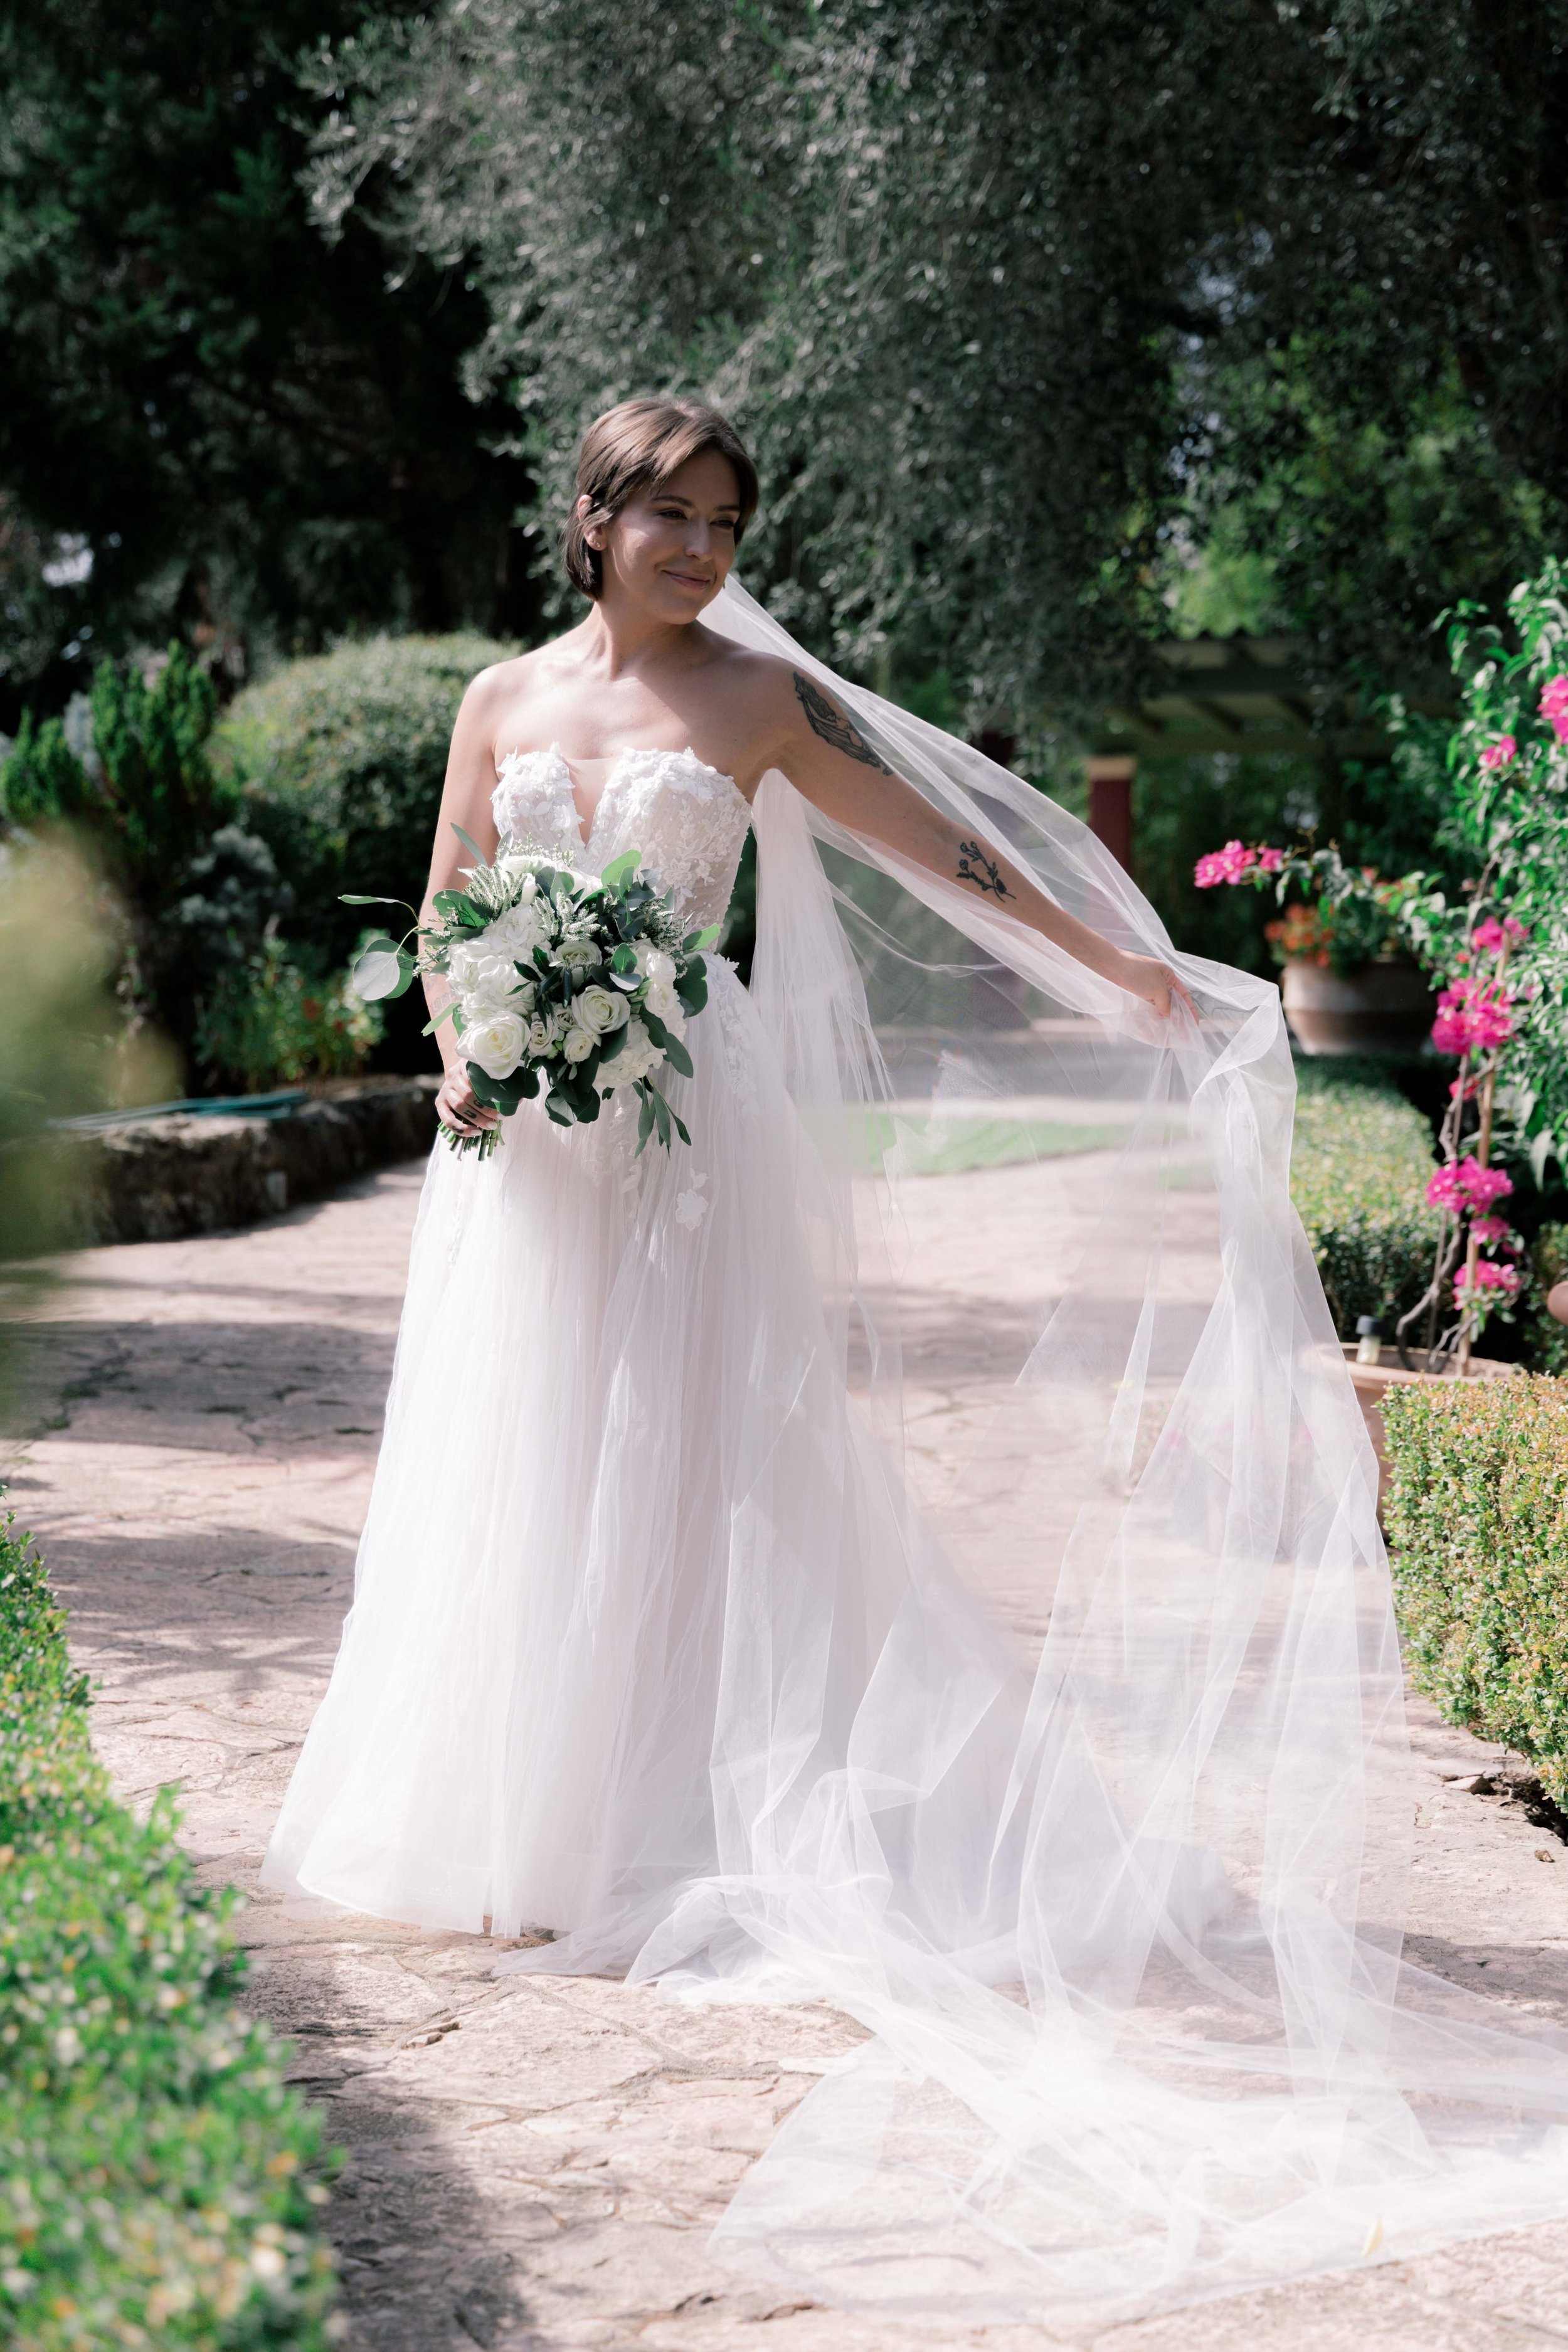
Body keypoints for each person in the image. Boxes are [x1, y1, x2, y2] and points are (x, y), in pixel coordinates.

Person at [264, 397, 1568, 2331]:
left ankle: (671, 1814)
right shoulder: (495, 702)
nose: (701, 550)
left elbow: (935, 839)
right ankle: (506, 1809)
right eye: (670, 518)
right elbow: (456, 898)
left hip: (683, 1138)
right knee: (516, 1456)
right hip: (518, 1159)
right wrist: (463, 1044)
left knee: (691, 1459)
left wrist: (1115, 962)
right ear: (590, 522)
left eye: (724, 521)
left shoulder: (756, 704)